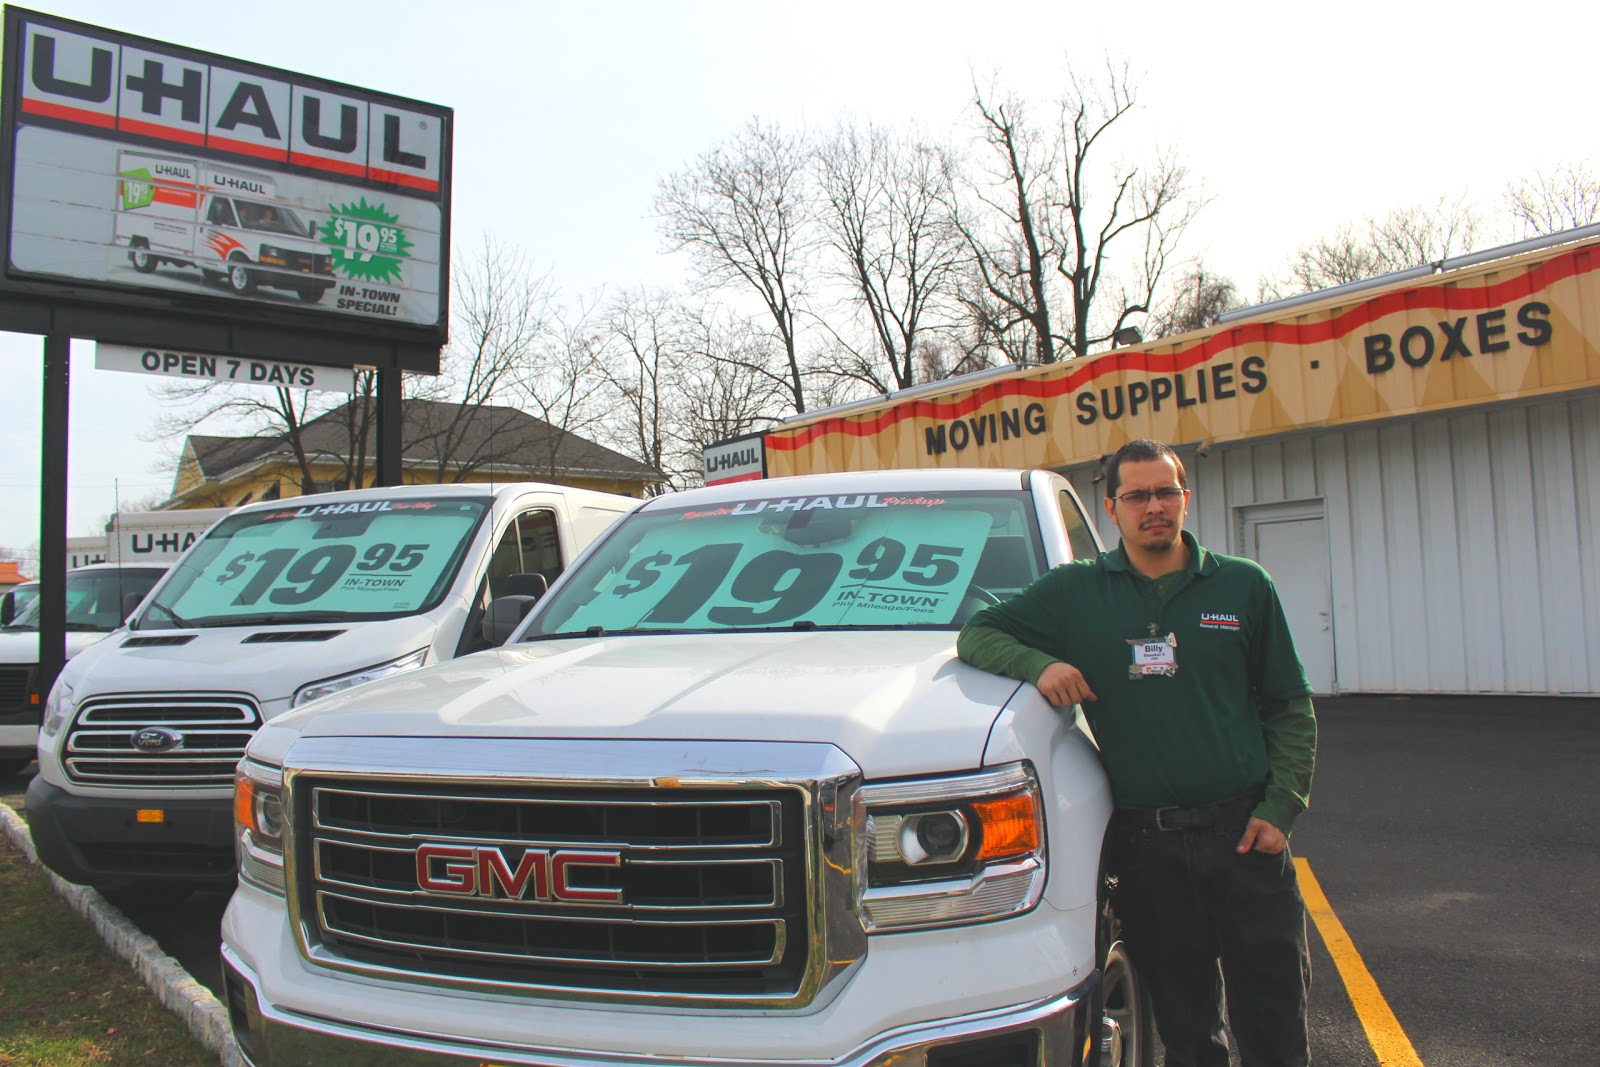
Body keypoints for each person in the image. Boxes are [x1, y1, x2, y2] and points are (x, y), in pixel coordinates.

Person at [957, 439, 1316, 1067]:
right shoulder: (1075, 593)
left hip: (1246, 838)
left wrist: (1282, 808)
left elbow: (1290, 704)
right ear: (1112, 508)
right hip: (1150, 854)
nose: (1155, 506)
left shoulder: (1242, 585)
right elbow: (978, 633)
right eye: (1138, 496)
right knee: (1185, 1030)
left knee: (1276, 1025)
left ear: (1185, 498)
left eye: (1166, 492)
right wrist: (1038, 664)